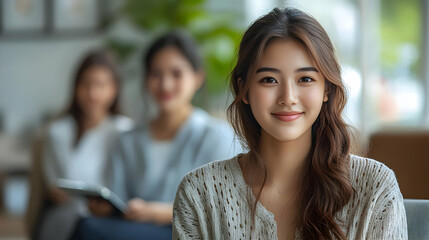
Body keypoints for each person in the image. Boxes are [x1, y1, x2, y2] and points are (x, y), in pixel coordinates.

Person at [173, 7, 408, 240]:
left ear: (326, 88)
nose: (288, 97)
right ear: (244, 90)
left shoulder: (376, 187)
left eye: (305, 79)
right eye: (269, 80)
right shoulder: (200, 192)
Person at [71, 30, 242, 240]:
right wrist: (106, 209)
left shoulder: (217, 136)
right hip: (132, 230)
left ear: (197, 78)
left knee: (87, 228)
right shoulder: (127, 140)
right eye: (156, 74)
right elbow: (120, 202)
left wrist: (159, 212)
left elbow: (224, 209)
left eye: (176, 74)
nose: (165, 84)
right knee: (88, 224)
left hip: (188, 233)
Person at [37, 50, 134, 240]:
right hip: (65, 215)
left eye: (100, 85)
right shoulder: (57, 131)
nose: (92, 93)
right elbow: (53, 183)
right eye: (86, 83)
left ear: (114, 88)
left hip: (107, 219)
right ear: (75, 87)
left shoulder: (124, 131)